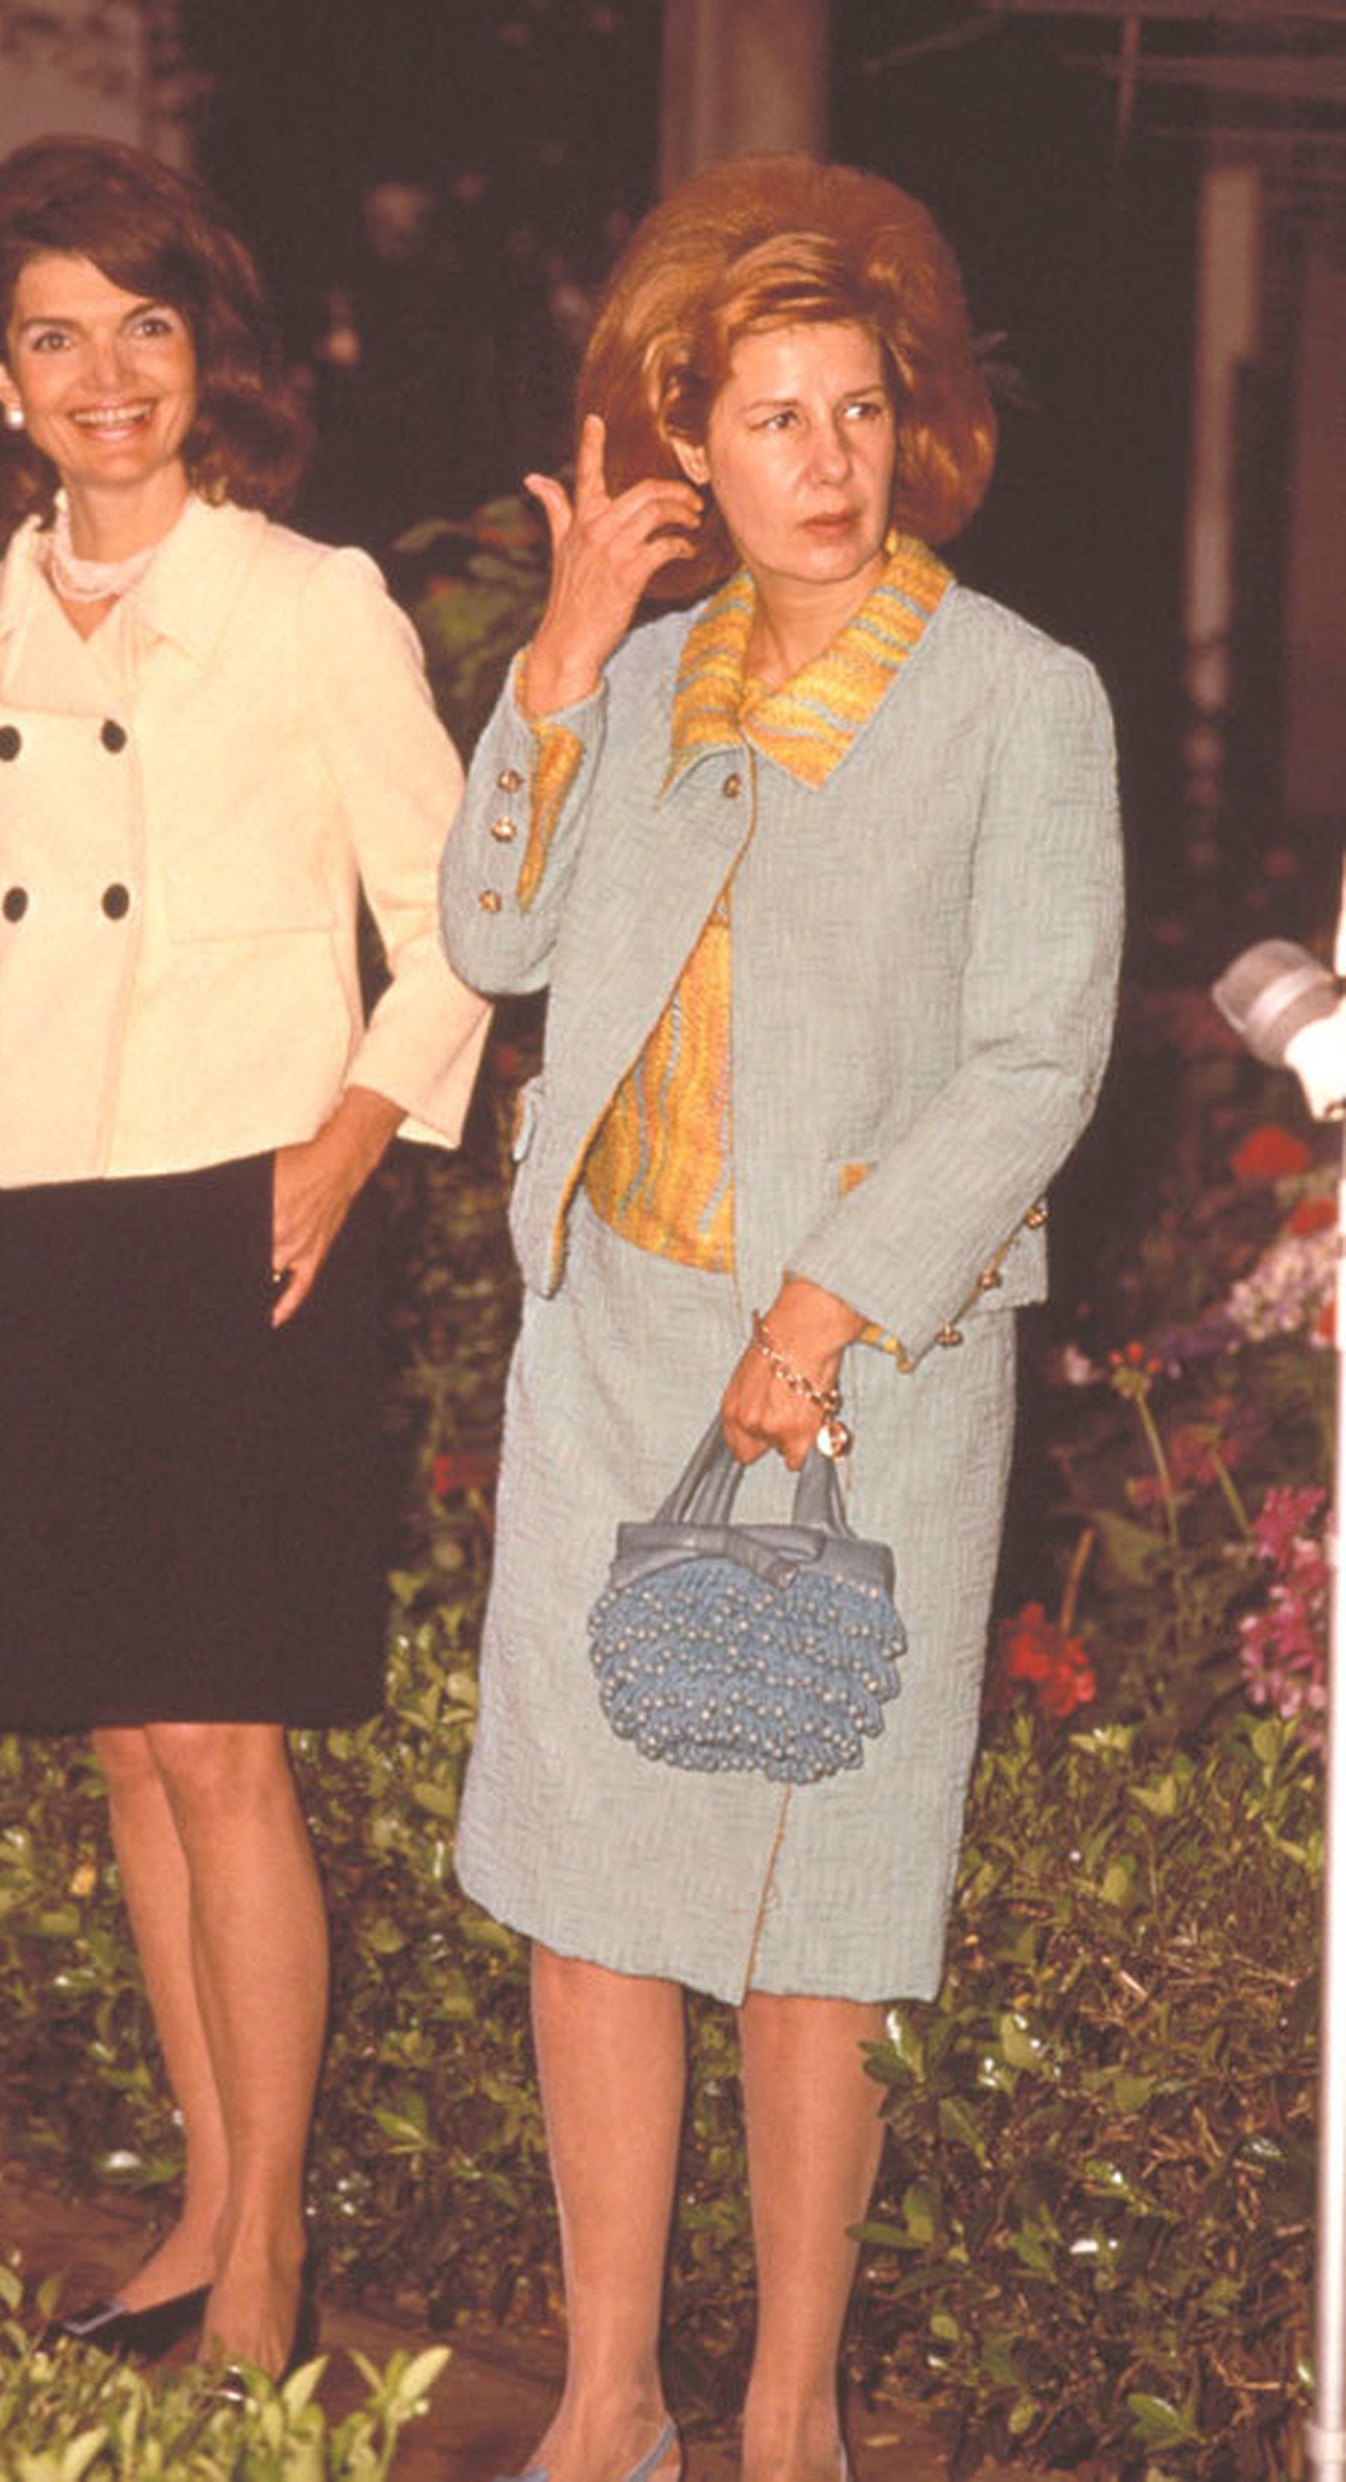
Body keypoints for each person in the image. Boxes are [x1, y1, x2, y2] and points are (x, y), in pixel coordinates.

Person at [440, 156, 1122, 2482]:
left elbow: (1037, 1052)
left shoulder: (1017, 698)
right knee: (591, 1886)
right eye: (768, 421)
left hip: (866, 1379)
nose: (819, 464)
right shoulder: (635, 675)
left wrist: (826, 1301)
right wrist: (547, 660)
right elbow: (497, 946)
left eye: (853, 413)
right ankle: (610, 2397)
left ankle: (789, 2418)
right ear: (683, 445)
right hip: (616, 1334)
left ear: (901, 424)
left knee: (813, 1909)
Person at [0, 136, 488, 2381]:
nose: (107, 373)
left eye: (144, 324)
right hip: (26, 1217)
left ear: (200, 350)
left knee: (225, 1749)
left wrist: (343, 1147)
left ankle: (268, 2270)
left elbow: (453, 928)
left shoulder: (311, 598)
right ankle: (205, 2205)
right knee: (134, 1750)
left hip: (247, 1207)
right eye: (57, 333)